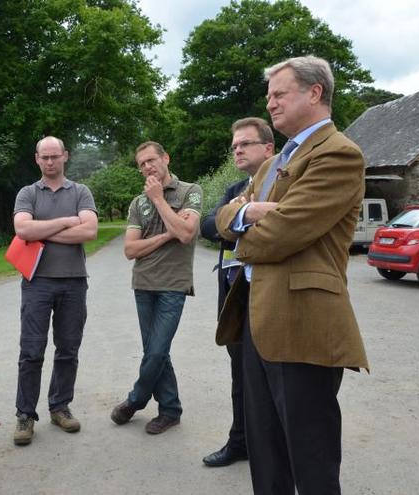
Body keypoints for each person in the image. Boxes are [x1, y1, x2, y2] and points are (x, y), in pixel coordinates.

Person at [214, 56, 369, 494]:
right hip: (258, 322)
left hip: (304, 324)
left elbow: (283, 233)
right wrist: (246, 212)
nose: (270, 104)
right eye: (268, 96)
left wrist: (240, 230)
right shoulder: (274, 160)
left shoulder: (338, 153)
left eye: (279, 94)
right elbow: (221, 217)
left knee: (311, 457)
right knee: (265, 455)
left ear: (314, 93)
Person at [110, 141, 202, 435]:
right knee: (156, 351)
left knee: (158, 349)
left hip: (173, 285)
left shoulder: (190, 191)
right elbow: (130, 250)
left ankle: (135, 399)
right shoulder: (138, 203)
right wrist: (166, 235)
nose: (147, 167)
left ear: (166, 158)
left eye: (151, 160)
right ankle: (171, 409)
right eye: (142, 164)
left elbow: (186, 234)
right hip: (143, 284)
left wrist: (160, 199)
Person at [11, 136, 98, 446]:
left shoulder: (81, 192)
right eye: (44, 157)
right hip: (37, 282)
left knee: (68, 350)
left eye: (54, 156)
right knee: (31, 351)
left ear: (65, 157)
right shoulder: (27, 193)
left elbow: (89, 231)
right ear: (37, 159)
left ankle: (60, 407)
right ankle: (25, 414)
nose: (49, 162)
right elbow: (23, 230)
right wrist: (65, 223)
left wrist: (43, 231)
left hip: (74, 281)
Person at [200, 117, 274, 467]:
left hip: (271, 301)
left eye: (245, 144)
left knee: (273, 381)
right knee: (240, 379)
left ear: (269, 148)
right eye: (234, 146)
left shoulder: (280, 188)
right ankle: (240, 442)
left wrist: (235, 218)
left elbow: (275, 227)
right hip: (234, 301)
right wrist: (241, 211)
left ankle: (272, 449)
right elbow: (208, 226)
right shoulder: (234, 190)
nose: (237, 150)